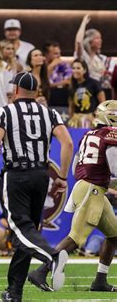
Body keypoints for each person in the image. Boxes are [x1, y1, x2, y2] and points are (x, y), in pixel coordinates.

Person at [0, 72, 73, 301]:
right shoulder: (49, 112)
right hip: (42, 175)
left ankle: (51, 257)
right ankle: (14, 292)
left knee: (20, 229)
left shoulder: (6, 111)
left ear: (15, 90)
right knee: (29, 230)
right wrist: (62, 176)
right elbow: (68, 143)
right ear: (37, 92)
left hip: (16, 174)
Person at [28, 100, 117, 293]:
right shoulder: (110, 136)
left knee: (114, 234)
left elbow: (78, 163)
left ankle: (100, 281)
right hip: (91, 190)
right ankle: (40, 271)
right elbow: (115, 168)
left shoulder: (89, 134)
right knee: (76, 238)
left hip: (92, 188)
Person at [75, 14, 115, 100]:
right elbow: (78, 42)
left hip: (103, 92)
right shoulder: (83, 56)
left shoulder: (102, 58)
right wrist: (84, 23)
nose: (101, 40)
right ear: (89, 40)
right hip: (88, 93)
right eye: (97, 38)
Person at [68, 59, 106, 128]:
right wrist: (71, 119)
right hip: (76, 120)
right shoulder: (72, 86)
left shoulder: (94, 83)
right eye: (73, 68)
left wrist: (95, 117)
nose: (75, 70)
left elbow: (103, 103)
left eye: (78, 68)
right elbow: (71, 106)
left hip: (91, 119)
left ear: (84, 70)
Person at [43, 41, 72, 107]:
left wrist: (52, 85)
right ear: (46, 54)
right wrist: (51, 66)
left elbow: (69, 81)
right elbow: (44, 84)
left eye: (59, 53)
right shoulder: (41, 65)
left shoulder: (63, 65)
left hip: (63, 96)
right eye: (55, 54)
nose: (59, 56)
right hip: (47, 98)